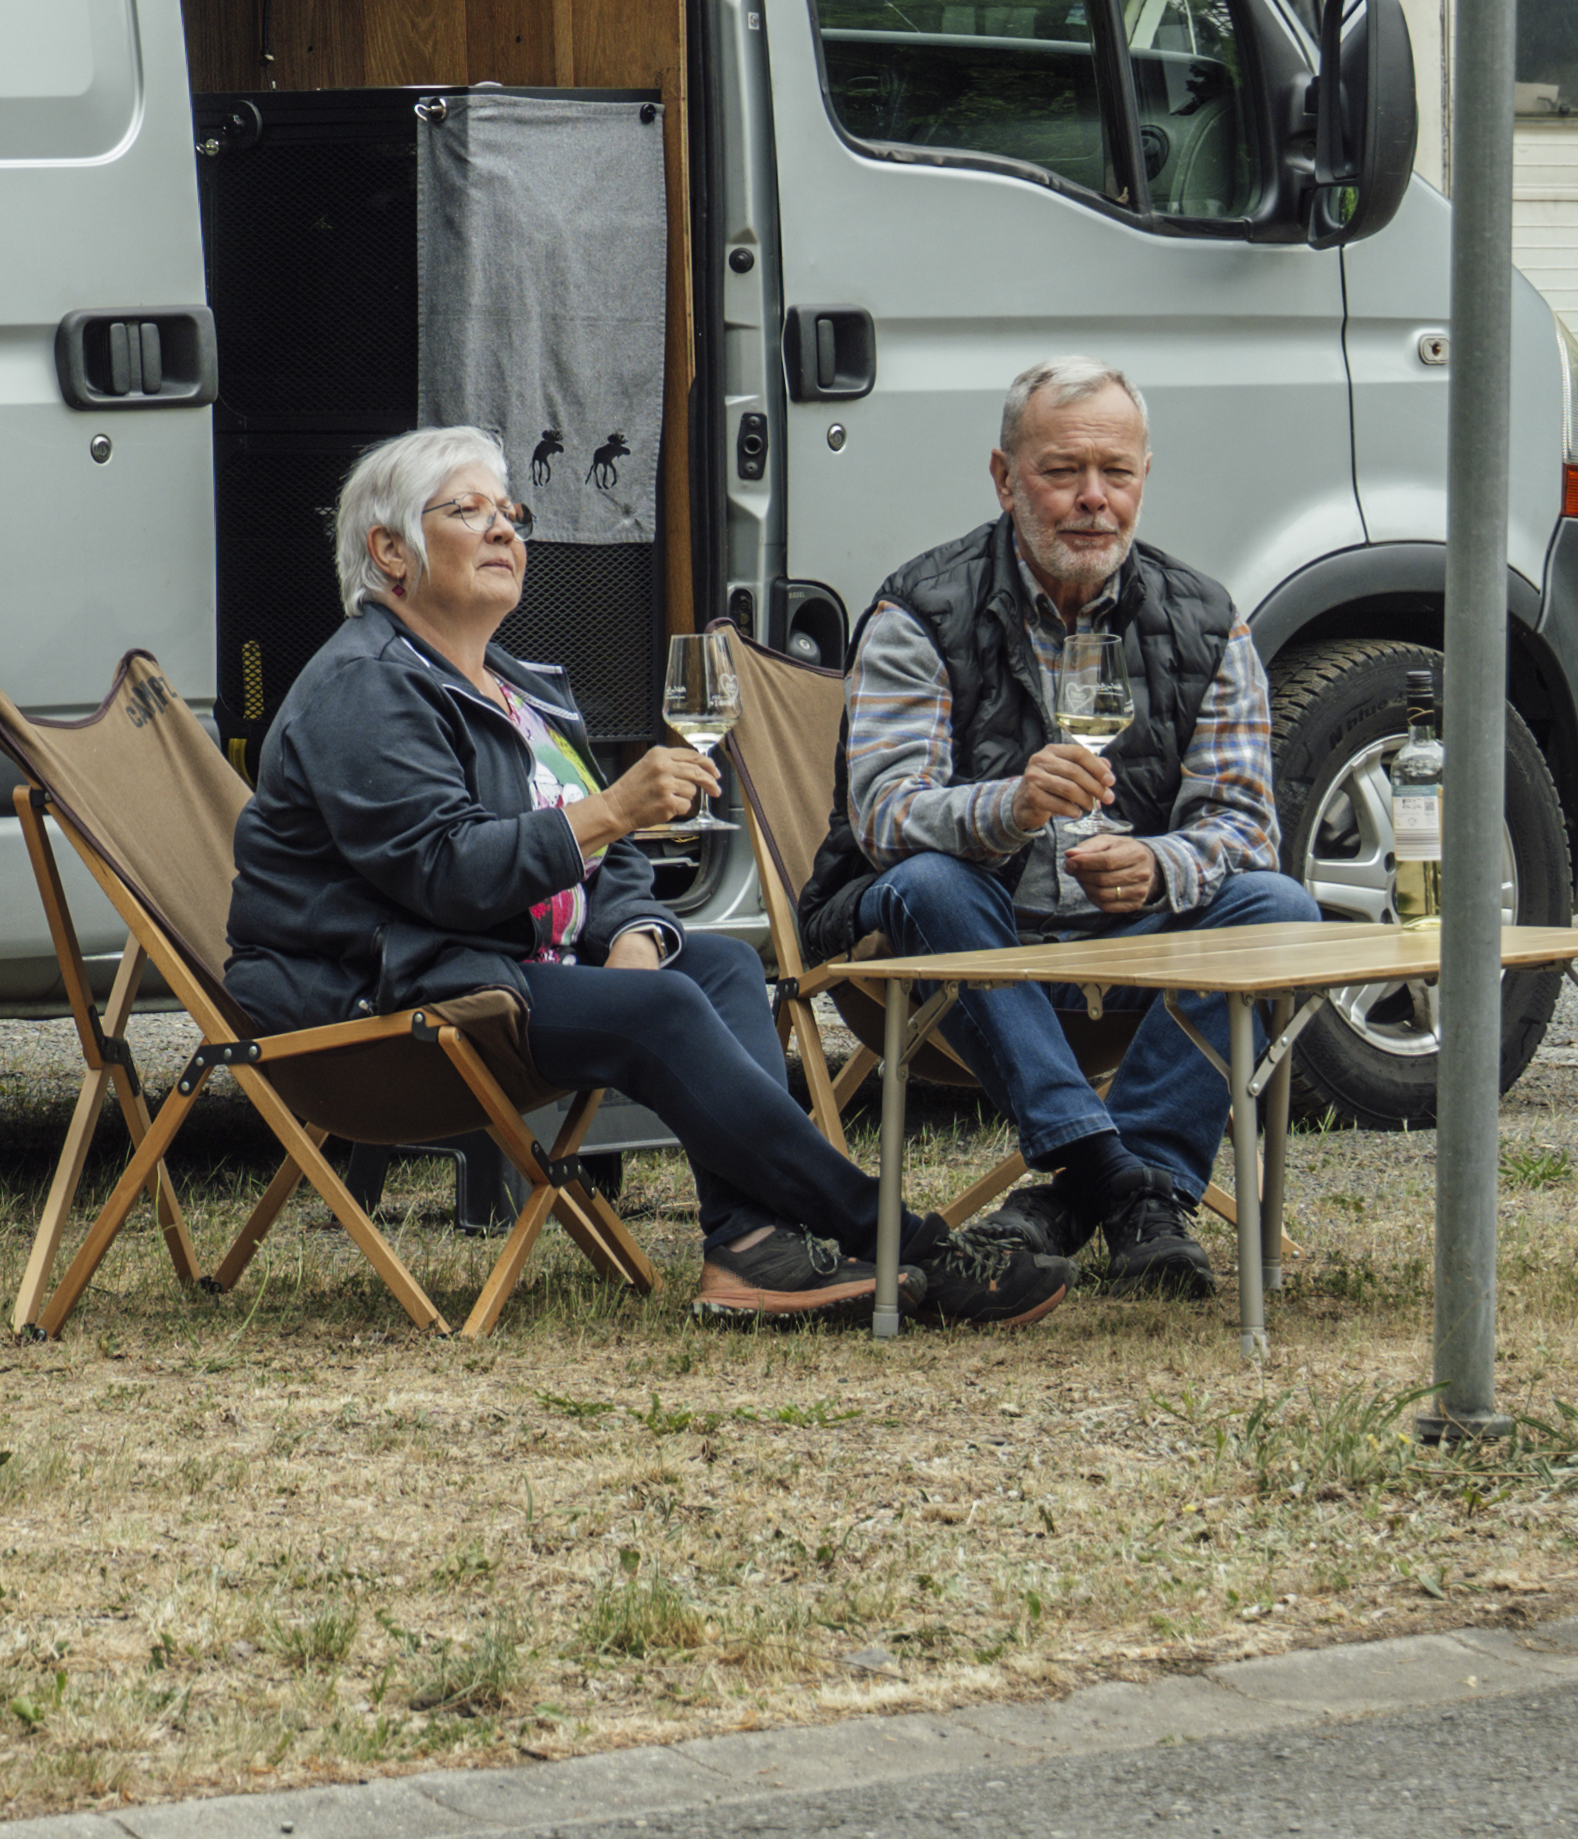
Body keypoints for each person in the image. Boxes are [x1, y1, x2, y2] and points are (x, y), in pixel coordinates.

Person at [232, 427, 1066, 1329]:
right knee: (661, 1009)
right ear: (388, 550)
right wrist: (613, 810)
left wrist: (632, 933)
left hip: (493, 969)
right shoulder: (365, 685)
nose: (505, 530)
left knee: (716, 967)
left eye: (509, 512)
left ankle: (749, 1247)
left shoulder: (519, 684)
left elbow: (612, 863)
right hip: (386, 997)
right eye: (468, 512)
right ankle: (902, 1238)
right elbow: (443, 872)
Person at [833, 364, 1317, 1299]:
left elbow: (1244, 824)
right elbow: (884, 813)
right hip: (972, 941)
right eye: (1062, 472)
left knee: (1277, 903)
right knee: (929, 883)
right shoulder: (920, 609)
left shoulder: (1207, 620)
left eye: (1117, 472)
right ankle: (1116, 1177)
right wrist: (1008, 807)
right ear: (1004, 478)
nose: (1094, 499)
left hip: (1130, 949)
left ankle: (1096, 1192)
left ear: (1144, 478)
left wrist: (1159, 862)